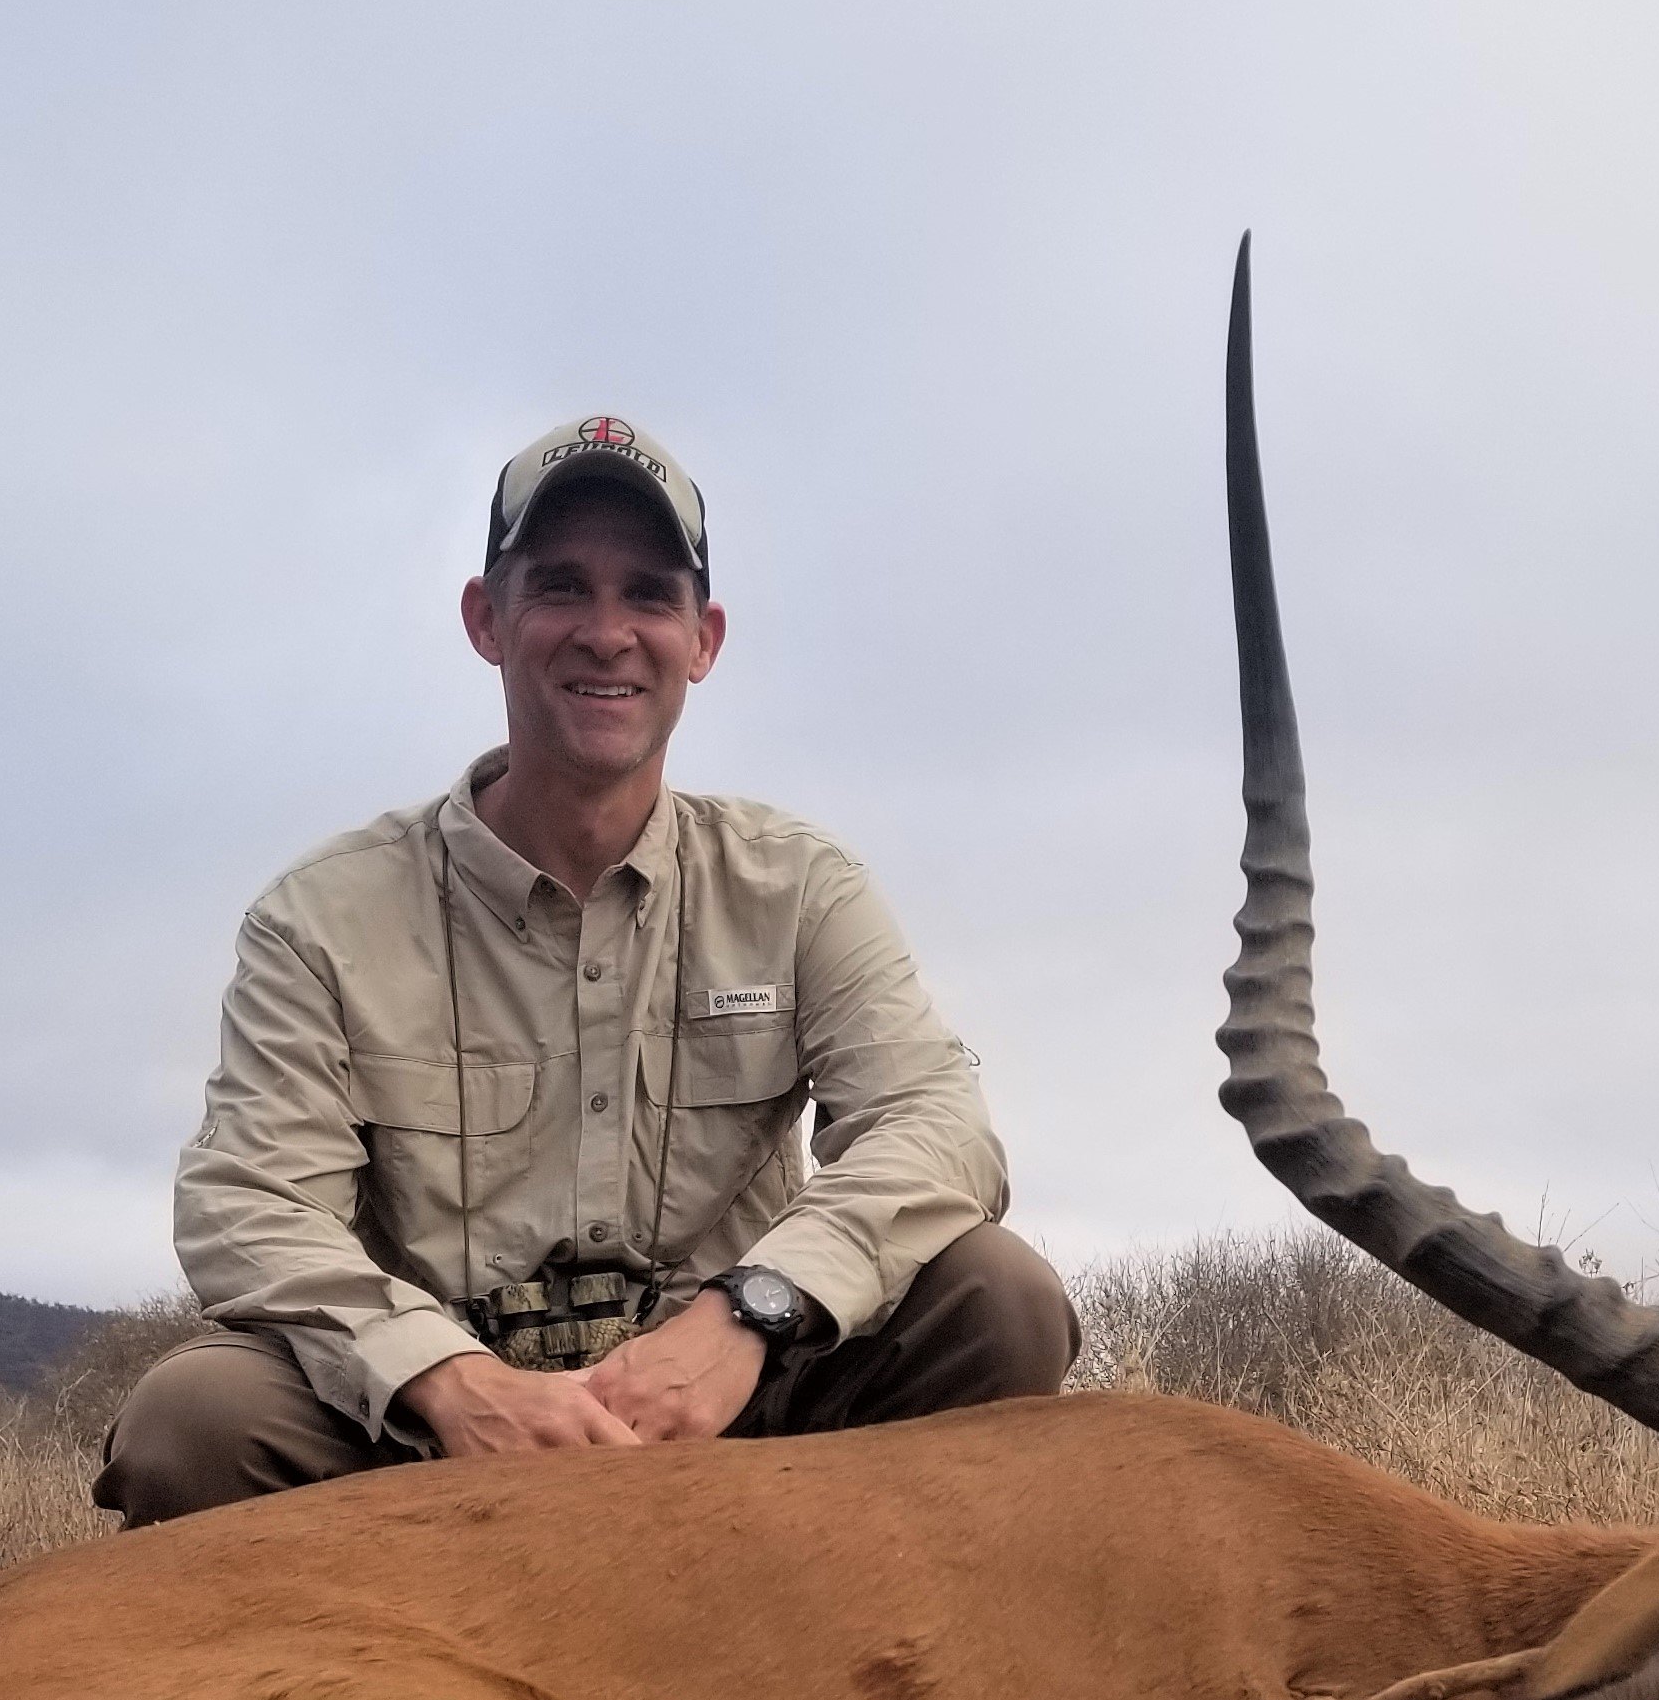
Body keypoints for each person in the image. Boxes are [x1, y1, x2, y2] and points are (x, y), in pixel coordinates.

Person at [96, 414, 1075, 1524]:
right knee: (197, 1419)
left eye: (648, 596)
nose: (607, 634)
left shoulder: (802, 886)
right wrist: (444, 1380)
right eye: (560, 587)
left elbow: (937, 1124)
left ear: (702, 639)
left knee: (1000, 1297)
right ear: (488, 621)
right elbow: (250, 1202)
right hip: (440, 1441)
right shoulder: (319, 917)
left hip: (737, 1409)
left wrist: (751, 1313)